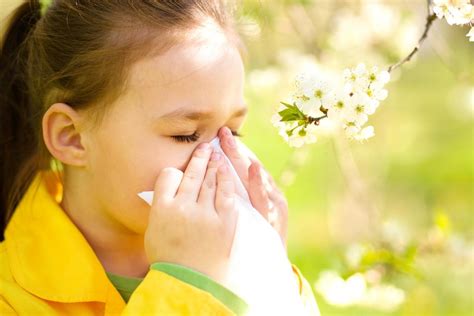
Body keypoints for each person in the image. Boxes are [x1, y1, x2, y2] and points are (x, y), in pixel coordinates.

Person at [0, 0, 319, 314]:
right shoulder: (11, 297)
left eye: (232, 133)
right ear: (72, 137)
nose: (217, 162)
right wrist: (186, 284)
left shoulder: (242, 260)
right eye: (185, 134)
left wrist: (267, 273)